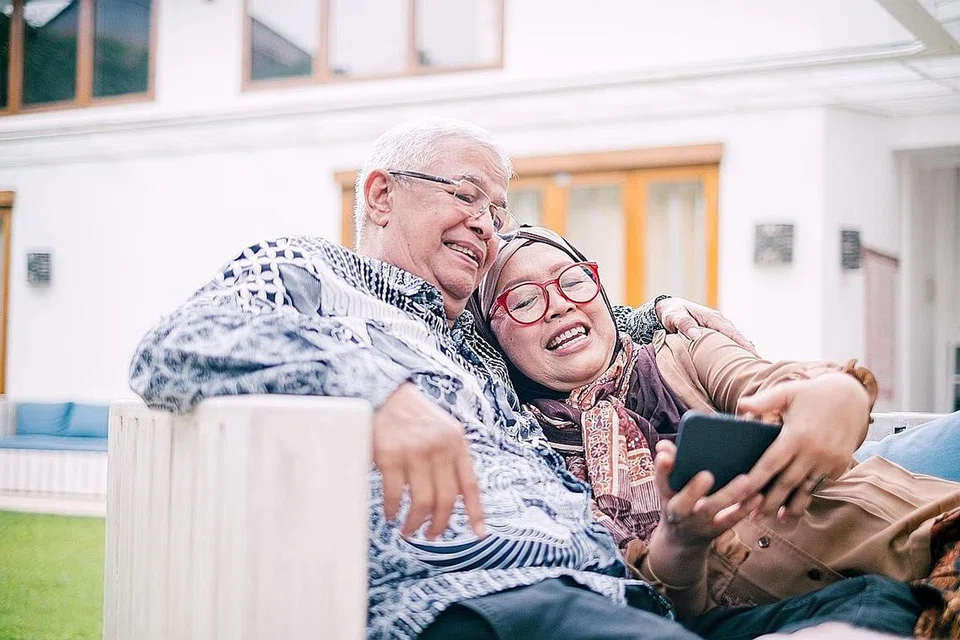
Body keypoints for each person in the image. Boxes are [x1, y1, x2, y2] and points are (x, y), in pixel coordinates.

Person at [129, 118, 922, 639]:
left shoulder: (477, 345)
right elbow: (175, 342)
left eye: (499, 212)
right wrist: (376, 392)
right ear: (381, 194)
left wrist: (661, 311)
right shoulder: (311, 277)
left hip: (619, 596)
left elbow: (578, 325)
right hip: (492, 595)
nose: (486, 224)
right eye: (466, 196)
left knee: (881, 606)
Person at [470, 225, 960, 624]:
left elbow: (772, 380)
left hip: (921, 536)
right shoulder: (525, 462)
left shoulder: (683, 352)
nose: (559, 303)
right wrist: (682, 541)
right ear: (490, 336)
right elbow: (662, 609)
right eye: (524, 301)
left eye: (574, 280)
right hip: (803, 615)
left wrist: (837, 394)